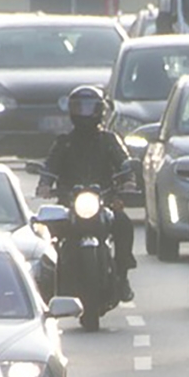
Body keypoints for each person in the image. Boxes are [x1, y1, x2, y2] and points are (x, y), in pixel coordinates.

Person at [38, 85, 136, 301]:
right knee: (50, 230)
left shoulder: (109, 140)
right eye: (79, 107)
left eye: (89, 107)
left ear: (100, 110)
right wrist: (45, 183)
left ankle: (122, 275)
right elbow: (50, 166)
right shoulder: (64, 142)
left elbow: (124, 163)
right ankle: (51, 281)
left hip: (104, 201)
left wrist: (128, 181)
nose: (84, 113)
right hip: (69, 203)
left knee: (123, 224)